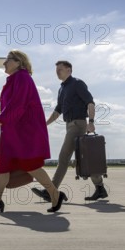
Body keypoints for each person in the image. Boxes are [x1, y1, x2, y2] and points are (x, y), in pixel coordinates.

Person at [0, 50, 67, 213]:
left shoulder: (22, 77)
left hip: (23, 132)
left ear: (19, 62)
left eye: (8, 60)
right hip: (11, 131)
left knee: (30, 165)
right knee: (2, 166)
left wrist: (0, 120)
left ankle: (55, 194)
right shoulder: (14, 79)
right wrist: (3, 121)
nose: (4, 63)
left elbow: (18, 104)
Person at [31, 60, 107, 202]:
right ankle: (100, 188)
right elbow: (57, 111)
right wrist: (44, 124)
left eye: (60, 69)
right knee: (83, 159)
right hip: (69, 125)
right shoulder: (62, 89)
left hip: (78, 124)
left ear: (69, 70)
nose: (57, 72)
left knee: (63, 157)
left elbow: (90, 102)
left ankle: (51, 191)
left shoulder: (77, 84)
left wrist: (91, 122)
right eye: (56, 70)